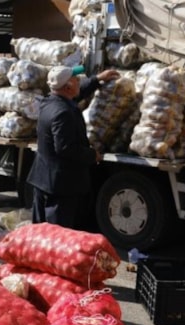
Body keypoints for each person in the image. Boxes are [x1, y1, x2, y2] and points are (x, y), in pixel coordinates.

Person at [26, 65, 120, 229]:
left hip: (44, 180)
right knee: (56, 235)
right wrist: (92, 155)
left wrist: (97, 80)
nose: (79, 81)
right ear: (68, 86)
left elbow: (76, 94)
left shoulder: (49, 102)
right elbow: (65, 149)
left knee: (39, 233)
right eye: (76, 79)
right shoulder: (63, 113)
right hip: (60, 187)